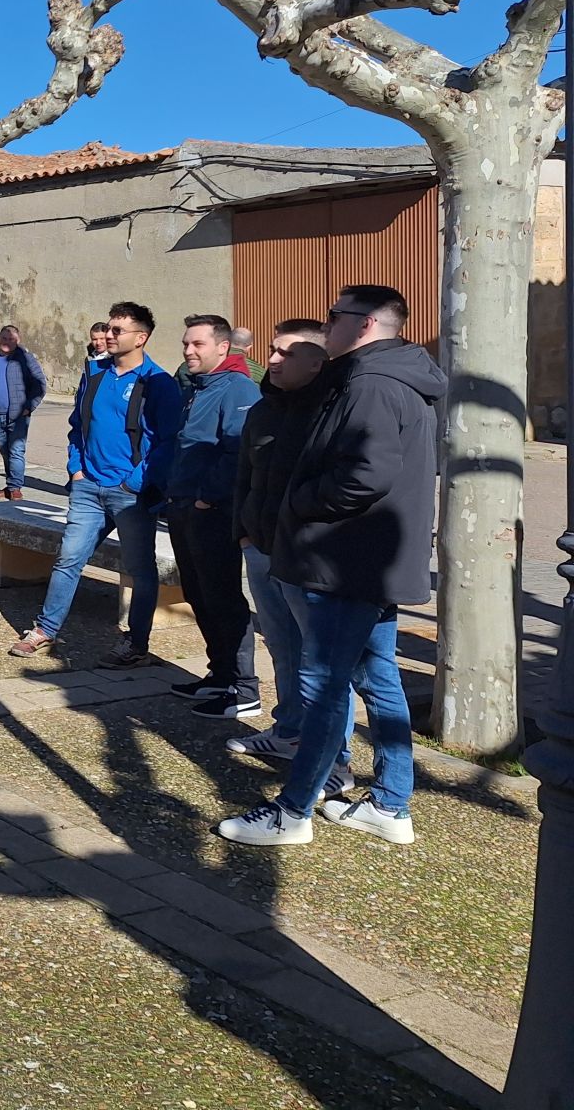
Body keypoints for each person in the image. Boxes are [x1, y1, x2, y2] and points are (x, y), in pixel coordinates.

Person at [219, 285, 443, 847]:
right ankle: (391, 804)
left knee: (323, 686)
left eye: (334, 316)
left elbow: (367, 473)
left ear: (364, 323)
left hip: (344, 560)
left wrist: (298, 501)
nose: (328, 324)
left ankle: (292, 813)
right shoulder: (397, 379)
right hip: (371, 560)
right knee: (379, 677)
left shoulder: (369, 383)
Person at [10, 302, 181, 664]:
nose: (108, 335)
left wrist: (134, 484)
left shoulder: (158, 383)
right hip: (88, 487)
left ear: (141, 337)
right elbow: (78, 424)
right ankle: (45, 630)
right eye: (109, 329)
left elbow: (169, 441)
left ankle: (136, 645)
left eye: (118, 331)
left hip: (130, 495)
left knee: (139, 569)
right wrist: (76, 468)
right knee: (68, 559)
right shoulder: (97, 374)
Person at [226, 319, 352, 767]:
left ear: (318, 363)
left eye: (287, 354)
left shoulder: (333, 412)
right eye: (273, 351)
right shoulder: (265, 408)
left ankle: (333, 758)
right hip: (260, 547)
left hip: (304, 554)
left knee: (320, 660)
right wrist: (243, 533)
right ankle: (289, 729)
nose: (273, 360)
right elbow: (245, 475)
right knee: (281, 645)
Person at [163, 315, 265, 719]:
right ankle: (220, 674)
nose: (188, 351)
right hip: (183, 505)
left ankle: (245, 688)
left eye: (197, 344)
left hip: (212, 511)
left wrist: (207, 498)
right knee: (198, 594)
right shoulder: (198, 387)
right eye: (186, 343)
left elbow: (238, 450)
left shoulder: (238, 387)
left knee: (222, 597)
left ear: (223, 347)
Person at [0, 325, 46, 500]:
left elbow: (40, 384)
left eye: (11, 339)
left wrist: (29, 407)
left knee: (16, 451)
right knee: (6, 451)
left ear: (17, 341)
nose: (7, 342)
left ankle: (15, 488)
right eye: (4, 338)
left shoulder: (25, 360)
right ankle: (10, 485)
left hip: (18, 415)